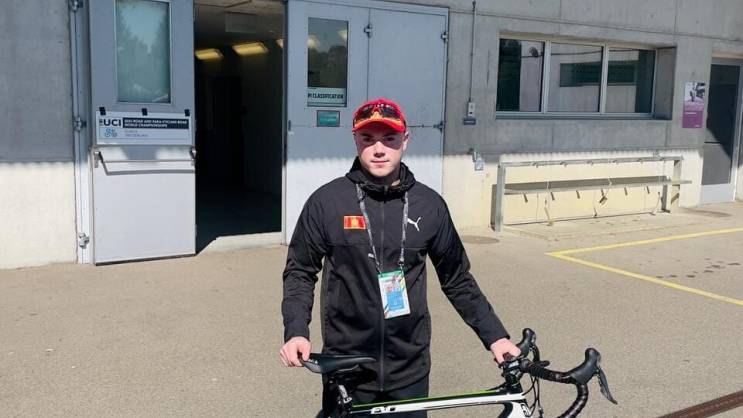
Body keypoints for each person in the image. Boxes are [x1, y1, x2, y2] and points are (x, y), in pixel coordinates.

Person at [280, 98, 520, 417]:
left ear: (405, 140)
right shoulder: (327, 202)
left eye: (389, 138)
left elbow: (457, 278)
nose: (379, 149)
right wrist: (296, 329)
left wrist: (496, 336)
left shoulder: (429, 205)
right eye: (368, 138)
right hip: (347, 366)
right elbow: (300, 270)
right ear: (355, 140)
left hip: (409, 367)